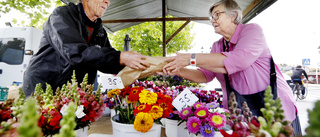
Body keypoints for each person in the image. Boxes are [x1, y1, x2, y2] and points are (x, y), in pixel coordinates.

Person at [159, 0, 301, 135]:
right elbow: (205, 75)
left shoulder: (252, 31)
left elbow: (240, 60)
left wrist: (190, 58)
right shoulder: (217, 46)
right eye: (211, 17)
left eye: (217, 14)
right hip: (243, 117)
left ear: (233, 15)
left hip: (274, 111)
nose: (212, 20)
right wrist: (178, 70)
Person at [22, 0, 150, 97]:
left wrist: (148, 67)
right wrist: (120, 57)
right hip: (44, 83)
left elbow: (109, 62)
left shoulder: (99, 29)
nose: (107, 2)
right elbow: (75, 53)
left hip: (72, 88)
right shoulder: (62, 15)